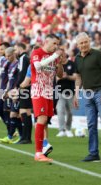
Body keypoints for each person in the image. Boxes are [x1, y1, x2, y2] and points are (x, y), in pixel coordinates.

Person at [73, 32, 101, 162]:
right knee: (91, 124)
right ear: (77, 45)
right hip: (87, 94)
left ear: (89, 41)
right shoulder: (77, 58)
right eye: (81, 43)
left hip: (99, 92)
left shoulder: (97, 54)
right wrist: (76, 94)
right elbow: (78, 77)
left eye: (86, 42)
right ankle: (93, 153)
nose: (84, 45)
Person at [30, 34, 64, 162]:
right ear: (46, 42)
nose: (56, 46)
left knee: (45, 121)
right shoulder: (37, 52)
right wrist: (55, 56)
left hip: (49, 91)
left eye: (57, 44)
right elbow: (38, 66)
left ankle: (42, 149)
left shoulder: (54, 57)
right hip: (39, 90)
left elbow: (60, 75)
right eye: (54, 43)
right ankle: (38, 153)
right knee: (42, 118)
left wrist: (60, 63)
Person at [0, 47, 22, 144]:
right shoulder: (10, 65)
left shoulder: (19, 65)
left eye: (9, 56)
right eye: (6, 56)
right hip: (11, 92)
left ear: (13, 54)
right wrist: (6, 92)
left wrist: (17, 91)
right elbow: (10, 80)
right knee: (14, 115)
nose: (7, 58)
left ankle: (10, 136)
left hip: (18, 92)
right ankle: (21, 136)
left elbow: (20, 79)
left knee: (14, 114)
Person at [14, 43, 33, 144]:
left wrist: (19, 87)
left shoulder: (23, 58)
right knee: (24, 112)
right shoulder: (24, 58)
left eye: (15, 49)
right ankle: (25, 137)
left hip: (25, 87)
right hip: (25, 87)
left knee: (25, 112)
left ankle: (26, 137)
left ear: (20, 48)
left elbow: (23, 75)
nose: (14, 51)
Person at [56, 51, 76, 137]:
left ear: (65, 55)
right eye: (59, 56)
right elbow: (55, 78)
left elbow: (75, 77)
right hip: (60, 91)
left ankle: (68, 129)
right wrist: (60, 76)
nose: (60, 57)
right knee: (60, 110)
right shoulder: (57, 65)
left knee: (70, 112)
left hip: (70, 91)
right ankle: (61, 129)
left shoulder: (72, 64)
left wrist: (67, 76)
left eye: (62, 56)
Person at [0, 42, 11, 142]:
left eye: (1, 49)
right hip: (2, 88)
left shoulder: (11, 61)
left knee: (6, 112)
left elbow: (11, 77)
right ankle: (12, 130)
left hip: (7, 90)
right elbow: (2, 76)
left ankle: (11, 132)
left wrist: (7, 89)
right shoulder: (2, 60)